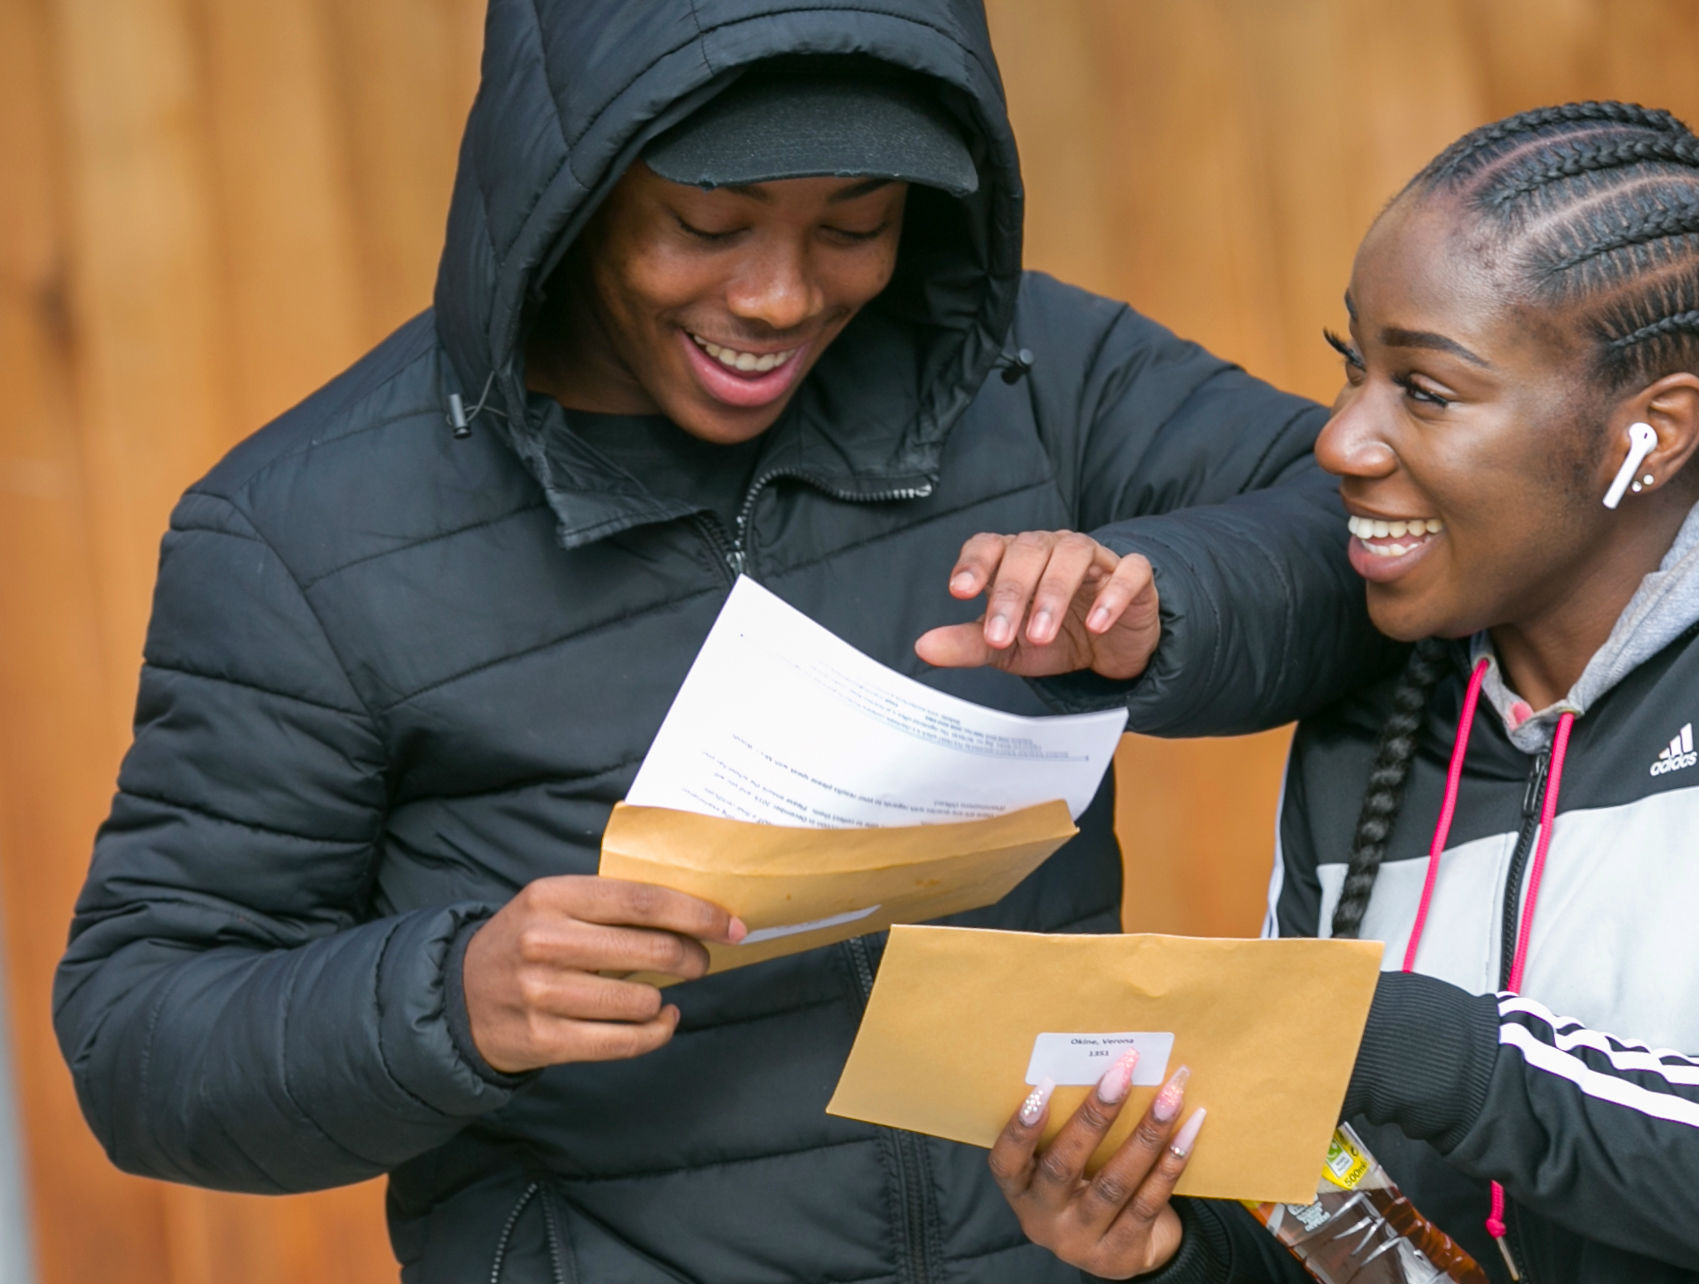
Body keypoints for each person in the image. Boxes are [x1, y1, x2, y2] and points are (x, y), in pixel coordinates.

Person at [50, 4, 1392, 1281]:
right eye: (705, 224)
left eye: (856, 225)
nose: (779, 296)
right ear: (562, 193)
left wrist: (1155, 595)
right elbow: (141, 1036)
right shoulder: (298, 534)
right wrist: (448, 999)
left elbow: (1361, 525)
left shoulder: (1013, 367)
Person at [986, 102, 1699, 1284]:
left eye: (1424, 391)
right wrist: (1163, 1249)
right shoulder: (1382, 700)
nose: (1341, 440)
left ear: (1653, 431)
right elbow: (1365, 1244)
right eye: (1353, 370)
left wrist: (1419, 1045)